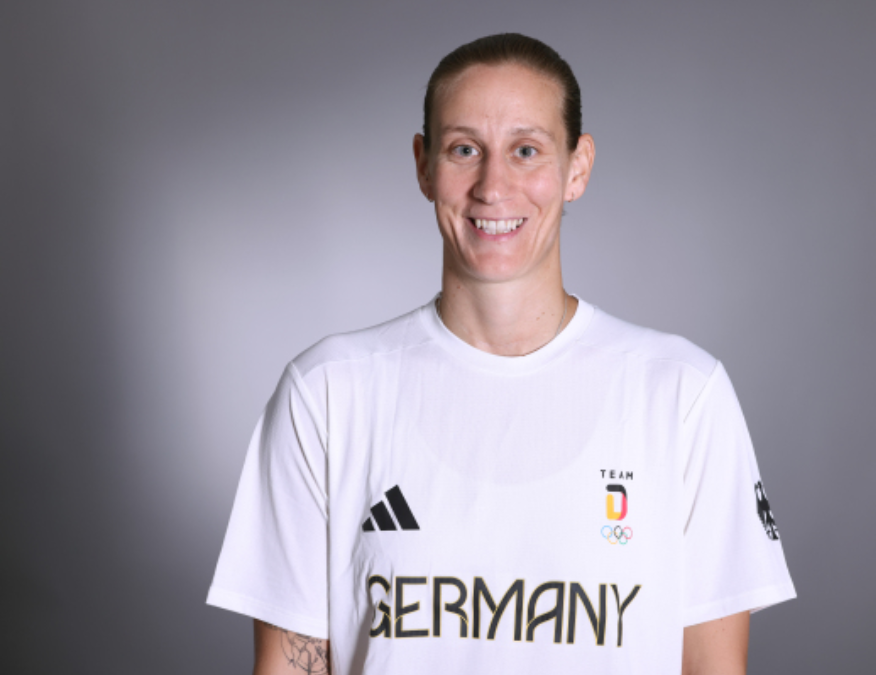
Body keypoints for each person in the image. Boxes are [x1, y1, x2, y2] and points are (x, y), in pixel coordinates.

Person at [208, 33, 795, 675]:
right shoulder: (327, 393)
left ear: (577, 168)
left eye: (526, 150)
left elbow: (713, 666)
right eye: (465, 149)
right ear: (424, 166)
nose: (493, 186)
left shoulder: (681, 394)